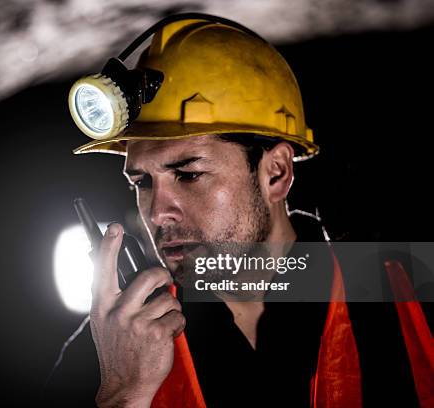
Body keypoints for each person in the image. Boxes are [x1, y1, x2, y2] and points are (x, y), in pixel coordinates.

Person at [50, 15, 433, 407]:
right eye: (142, 183)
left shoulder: (404, 301)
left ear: (275, 173)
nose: (158, 213)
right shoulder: (109, 352)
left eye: (188, 174)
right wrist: (122, 395)